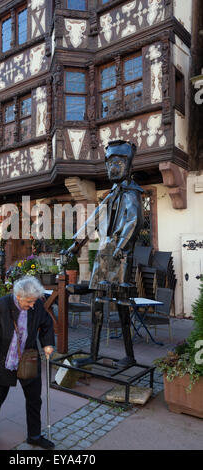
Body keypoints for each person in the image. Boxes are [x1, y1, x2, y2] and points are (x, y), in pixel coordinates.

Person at [66, 140, 144, 367]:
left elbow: (134, 221)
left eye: (118, 162)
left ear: (128, 165)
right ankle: (93, 353)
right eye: (110, 163)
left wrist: (121, 249)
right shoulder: (111, 195)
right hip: (105, 251)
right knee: (97, 303)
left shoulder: (131, 193)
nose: (113, 168)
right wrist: (75, 244)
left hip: (120, 255)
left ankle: (129, 355)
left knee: (121, 304)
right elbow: (93, 220)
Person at [0, 275, 55, 449]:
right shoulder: (0, 306)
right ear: (18, 296)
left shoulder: (37, 305)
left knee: (34, 399)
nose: (32, 305)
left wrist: (47, 343)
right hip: (3, 360)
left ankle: (34, 435)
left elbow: (47, 323)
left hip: (28, 359)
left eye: (34, 301)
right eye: (29, 302)